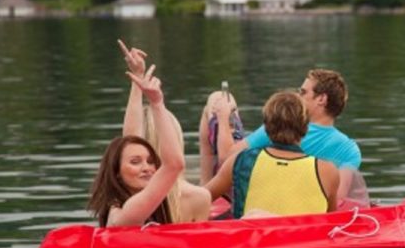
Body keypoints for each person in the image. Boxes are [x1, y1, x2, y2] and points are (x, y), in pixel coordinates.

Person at [201, 68, 361, 204]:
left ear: (321, 99)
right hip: (302, 207)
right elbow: (339, 199)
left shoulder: (283, 126)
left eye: (303, 92)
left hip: (252, 194)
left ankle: (205, 187)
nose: (298, 97)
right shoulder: (350, 149)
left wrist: (223, 117)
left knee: (216, 99)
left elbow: (226, 158)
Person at [205, 91, 339, 218]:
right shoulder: (328, 171)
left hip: (253, 240)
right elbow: (332, 221)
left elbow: (202, 198)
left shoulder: (241, 160)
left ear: (266, 128)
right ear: (305, 128)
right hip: (301, 241)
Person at [119, 40, 211, 222]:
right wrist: (156, 103)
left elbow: (129, 142)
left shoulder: (126, 199)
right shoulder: (199, 198)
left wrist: (137, 77)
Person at [88, 65, 184, 227]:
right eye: (135, 162)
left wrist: (137, 79)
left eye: (151, 161)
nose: (147, 168)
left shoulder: (126, 204)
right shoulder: (124, 214)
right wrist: (157, 104)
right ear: (116, 172)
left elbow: (131, 139)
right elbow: (174, 165)